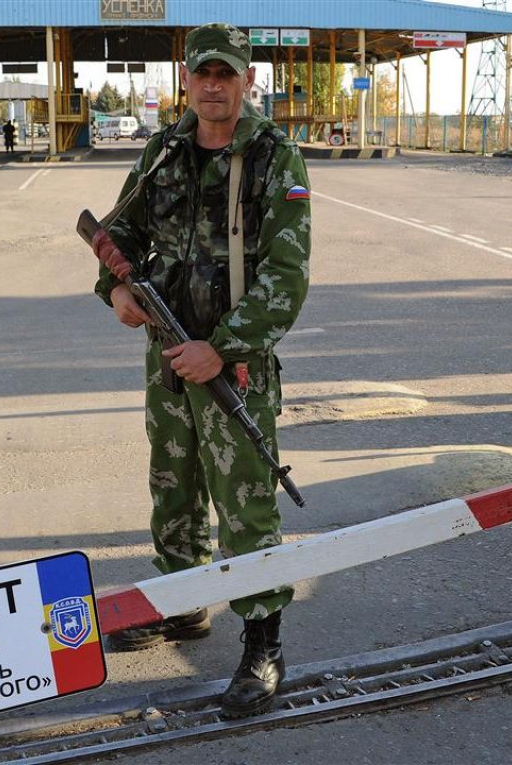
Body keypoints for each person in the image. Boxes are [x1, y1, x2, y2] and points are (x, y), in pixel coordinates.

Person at [90, 22, 311, 718]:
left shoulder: (276, 158)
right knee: (174, 487)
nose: (214, 86)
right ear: (186, 81)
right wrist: (118, 292)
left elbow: (287, 273)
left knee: (245, 500)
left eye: (228, 74)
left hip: (230, 364)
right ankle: (180, 604)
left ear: (248, 81)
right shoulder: (163, 151)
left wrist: (224, 347)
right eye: (203, 74)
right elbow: (116, 233)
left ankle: (264, 642)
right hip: (166, 356)